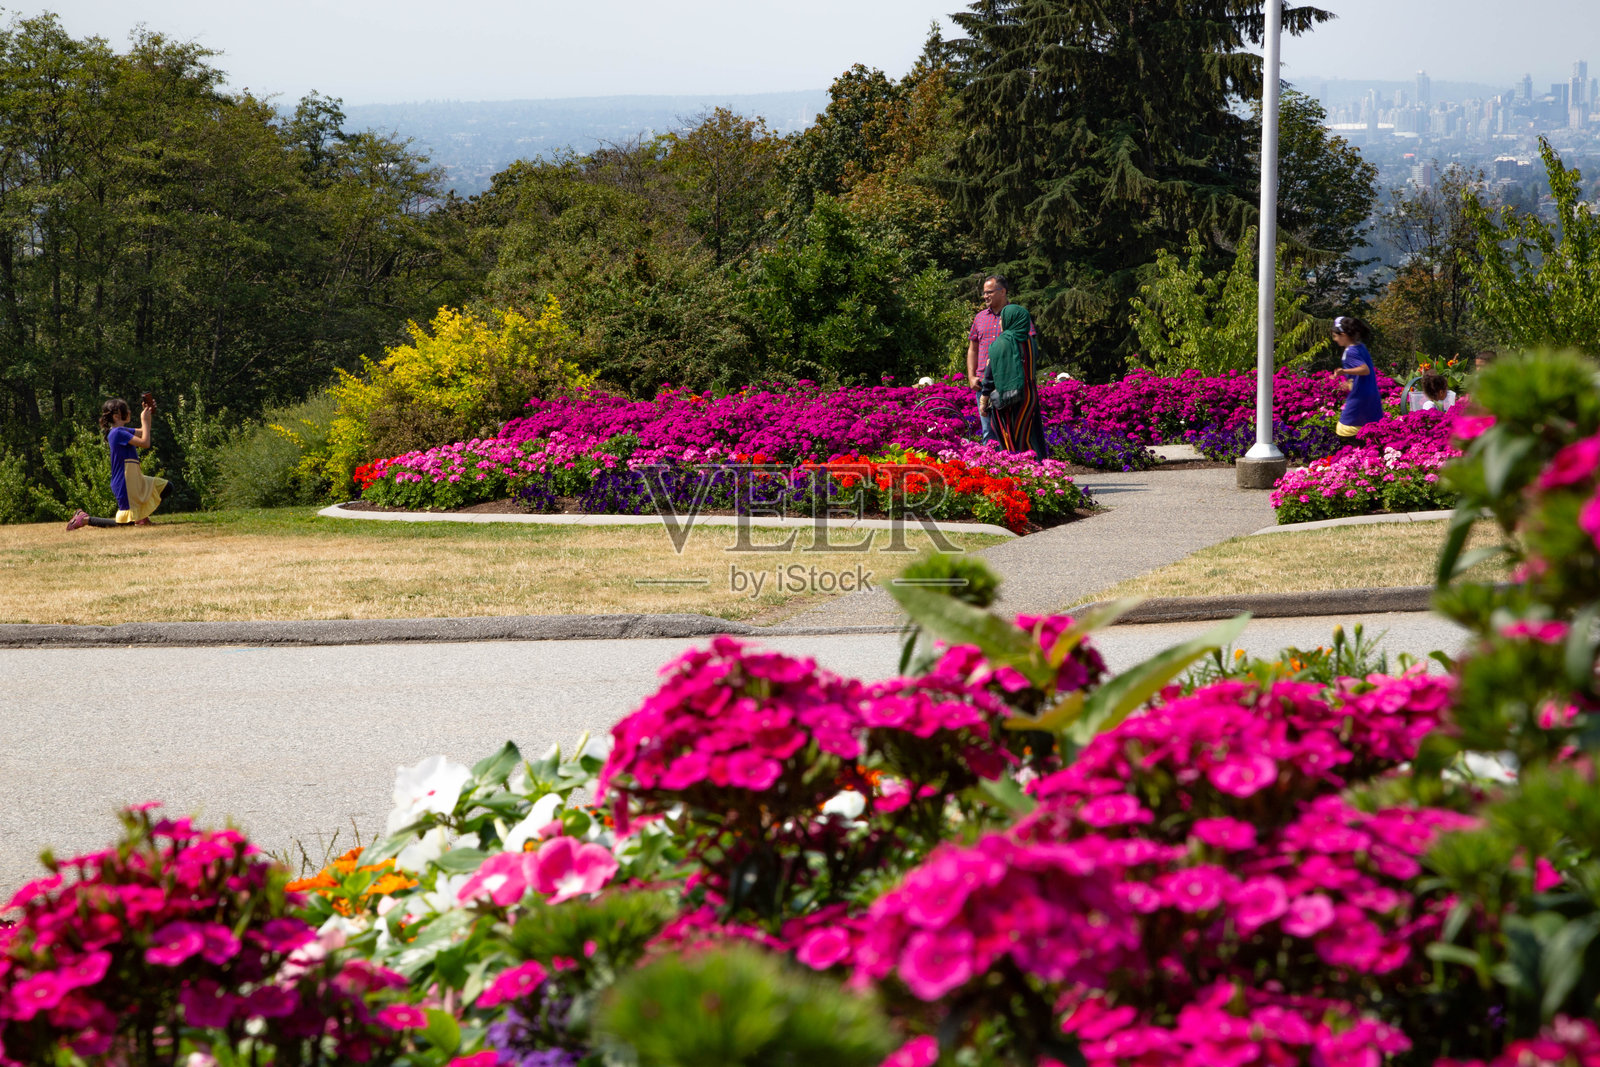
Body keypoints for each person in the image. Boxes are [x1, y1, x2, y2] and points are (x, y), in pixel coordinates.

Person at [66, 396, 169, 530]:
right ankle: (85, 519)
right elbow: (145, 443)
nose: (130, 412)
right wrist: (144, 419)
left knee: (166, 487)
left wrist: (147, 414)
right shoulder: (117, 433)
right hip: (124, 483)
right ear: (116, 416)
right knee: (125, 525)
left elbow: (144, 431)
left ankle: (141, 517)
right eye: (126, 410)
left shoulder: (122, 431)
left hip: (134, 479)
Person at [966, 275, 1035, 443]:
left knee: (1011, 429)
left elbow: (1028, 346)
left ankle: (1013, 464)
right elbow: (972, 348)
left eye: (989, 292)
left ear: (1002, 291)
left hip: (1010, 382)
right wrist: (971, 376)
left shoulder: (1016, 316)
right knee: (988, 431)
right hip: (983, 381)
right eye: (984, 293)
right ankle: (991, 467)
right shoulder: (980, 317)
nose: (985, 296)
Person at [979, 303, 1048, 459]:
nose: (1000, 323)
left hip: (1009, 398)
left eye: (1002, 319)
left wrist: (983, 400)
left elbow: (989, 376)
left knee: (1009, 436)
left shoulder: (1002, 343)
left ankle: (1018, 471)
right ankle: (1036, 469)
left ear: (1011, 320)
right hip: (1029, 396)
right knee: (1028, 434)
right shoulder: (1030, 342)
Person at [1330, 316, 1382, 438]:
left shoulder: (1351, 351)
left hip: (1360, 396)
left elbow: (1364, 369)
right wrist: (1349, 383)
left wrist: (1344, 371)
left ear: (1343, 334)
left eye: (1335, 336)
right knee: (1371, 430)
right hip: (1369, 393)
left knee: (1344, 430)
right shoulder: (1360, 346)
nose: (1335, 340)